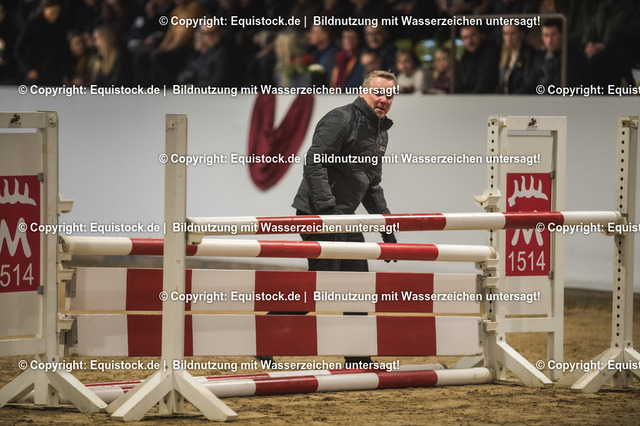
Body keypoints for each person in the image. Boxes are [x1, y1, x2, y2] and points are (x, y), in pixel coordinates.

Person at [292, 70, 398, 365]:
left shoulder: (381, 132)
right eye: (378, 92)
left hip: (344, 218)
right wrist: (328, 213)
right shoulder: (340, 118)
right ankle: (265, 333)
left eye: (390, 95)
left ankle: (358, 357)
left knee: (358, 287)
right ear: (363, 92)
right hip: (318, 215)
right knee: (322, 288)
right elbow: (314, 164)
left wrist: (386, 227)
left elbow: (371, 185)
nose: (384, 99)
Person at [454, 24, 499, 93]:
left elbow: (486, 82)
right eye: (465, 38)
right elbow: (457, 85)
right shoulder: (464, 58)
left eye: (473, 35)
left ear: (481, 35)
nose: (470, 41)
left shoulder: (491, 52)